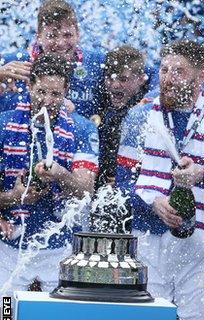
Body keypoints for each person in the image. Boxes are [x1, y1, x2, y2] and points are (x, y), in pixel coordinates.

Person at [121, 40, 204, 320]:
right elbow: (121, 185)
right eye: (164, 69)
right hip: (147, 241)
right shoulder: (139, 115)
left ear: (199, 76)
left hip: (198, 246)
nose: (168, 77)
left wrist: (201, 175)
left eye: (179, 71)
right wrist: (152, 202)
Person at [0, 54, 97, 294]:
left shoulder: (83, 128)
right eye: (41, 91)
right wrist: (14, 196)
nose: (46, 101)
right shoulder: (3, 124)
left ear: (67, 91)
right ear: (29, 85)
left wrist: (62, 175)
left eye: (55, 94)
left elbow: (87, 191)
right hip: (10, 247)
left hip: (60, 247)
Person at [0, 0, 104, 118]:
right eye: (52, 36)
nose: (60, 43)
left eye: (67, 35)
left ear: (78, 34)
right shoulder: (12, 63)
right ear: (38, 36)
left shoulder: (97, 63)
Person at [95, 45, 148, 190]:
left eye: (123, 79)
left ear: (141, 79)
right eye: (110, 78)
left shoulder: (147, 106)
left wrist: (123, 181)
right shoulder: (100, 99)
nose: (115, 85)